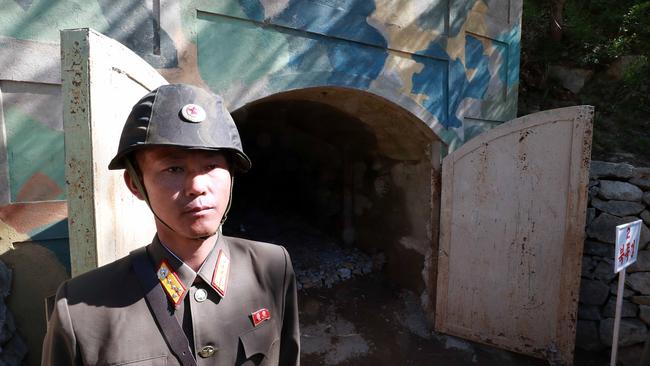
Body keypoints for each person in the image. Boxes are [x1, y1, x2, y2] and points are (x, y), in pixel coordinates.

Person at [42, 84, 300, 366]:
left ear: (231, 174)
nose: (197, 186)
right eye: (173, 169)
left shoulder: (272, 267)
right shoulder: (81, 309)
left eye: (211, 166)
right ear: (135, 184)